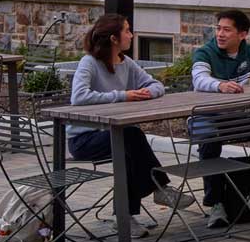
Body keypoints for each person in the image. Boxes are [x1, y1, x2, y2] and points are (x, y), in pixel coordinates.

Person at [188, 8, 250, 226]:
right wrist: (220, 85)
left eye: (226, 30)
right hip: (203, 116)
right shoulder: (205, 52)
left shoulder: (248, 51)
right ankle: (216, 203)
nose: (220, 34)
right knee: (209, 140)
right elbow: (199, 79)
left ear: (242, 34)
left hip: (231, 117)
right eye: (218, 29)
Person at [64, 12, 175, 208]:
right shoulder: (89, 62)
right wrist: (124, 95)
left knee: (129, 149)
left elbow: (156, 85)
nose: (131, 35)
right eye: (127, 31)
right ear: (114, 38)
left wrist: (145, 93)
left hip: (114, 134)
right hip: (84, 139)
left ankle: (127, 217)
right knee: (131, 136)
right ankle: (160, 188)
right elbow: (79, 96)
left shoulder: (126, 63)